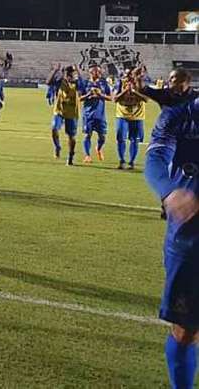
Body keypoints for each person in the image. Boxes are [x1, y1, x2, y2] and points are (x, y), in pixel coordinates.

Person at [144, 96, 199, 389]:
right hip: (191, 239)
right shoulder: (180, 115)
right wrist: (169, 191)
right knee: (187, 330)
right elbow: (155, 159)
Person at [112, 68, 148, 170]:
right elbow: (114, 99)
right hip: (122, 116)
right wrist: (125, 91)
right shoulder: (120, 83)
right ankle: (122, 161)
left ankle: (131, 162)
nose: (128, 77)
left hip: (137, 116)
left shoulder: (140, 84)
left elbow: (146, 99)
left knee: (134, 140)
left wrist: (134, 92)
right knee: (121, 139)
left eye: (130, 75)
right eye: (127, 75)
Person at [47, 64, 82, 165]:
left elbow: (83, 86)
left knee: (71, 136)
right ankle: (57, 147)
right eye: (66, 74)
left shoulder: (77, 83)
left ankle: (71, 156)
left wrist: (78, 71)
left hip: (72, 113)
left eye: (69, 74)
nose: (67, 76)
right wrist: (55, 70)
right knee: (54, 129)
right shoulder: (60, 82)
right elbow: (48, 82)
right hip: (59, 111)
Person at [79, 64, 112, 163]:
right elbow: (79, 98)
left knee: (102, 136)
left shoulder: (103, 83)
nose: (98, 73)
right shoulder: (84, 83)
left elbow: (111, 98)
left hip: (100, 115)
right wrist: (89, 95)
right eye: (96, 71)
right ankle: (87, 155)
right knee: (87, 135)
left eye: (99, 71)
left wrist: (100, 95)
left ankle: (98, 148)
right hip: (88, 114)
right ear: (90, 72)